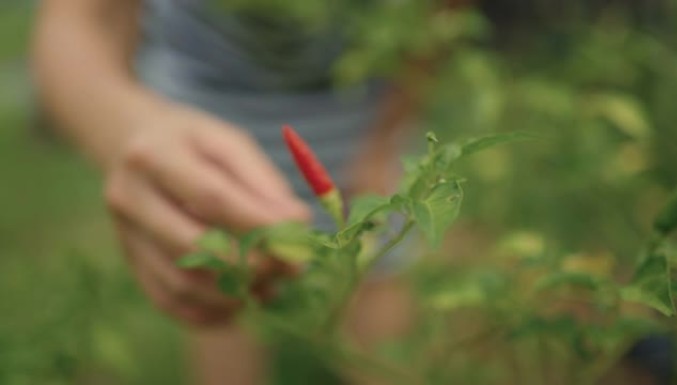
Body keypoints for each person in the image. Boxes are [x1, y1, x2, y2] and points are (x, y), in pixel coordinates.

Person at [32, 1, 413, 384]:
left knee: (378, 306)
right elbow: (74, 18)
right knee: (224, 297)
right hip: (201, 114)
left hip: (361, 112)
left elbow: (441, 13)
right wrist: (126, 128)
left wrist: (385, 136)